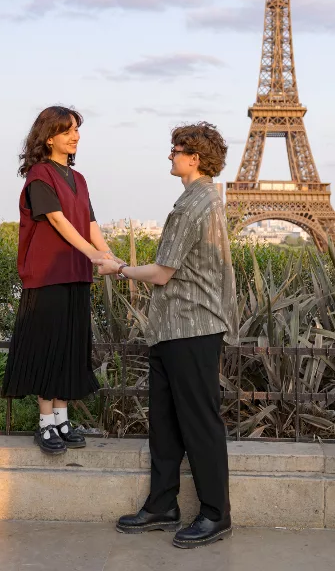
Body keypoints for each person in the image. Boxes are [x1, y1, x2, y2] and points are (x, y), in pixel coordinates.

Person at [96, 122, 239, 549]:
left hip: (190, 327)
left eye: (175, 149)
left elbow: (161, 273)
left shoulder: (196, 205)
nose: (170, 155)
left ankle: (216, 514)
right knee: (165, 421)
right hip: (174, 328)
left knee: (198, 422)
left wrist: (117, 268)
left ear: (194, 157)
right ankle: (162, 504)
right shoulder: (199, 200)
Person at [2, 106, 111, 455]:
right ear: (49, 137)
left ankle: (62, 418)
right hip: (47, 276)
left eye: (77, 129)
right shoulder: (39, 175)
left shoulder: (79, 180)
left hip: (76, 274)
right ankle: (45, 422)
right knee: (48, 347)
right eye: (68, 131)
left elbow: (90, 224)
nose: (76, 135)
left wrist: (109, 256)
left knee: (68, 347)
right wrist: (94, 256)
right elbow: (59, 222)